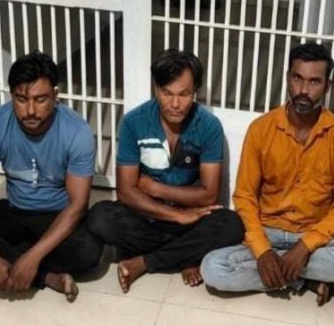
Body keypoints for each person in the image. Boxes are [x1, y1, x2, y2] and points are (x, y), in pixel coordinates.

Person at [201, 43, 334, 305]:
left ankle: (283, 271)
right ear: (288, 78)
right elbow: (244, 196)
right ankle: (302, 278)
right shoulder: (261, 129)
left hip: (314, 237)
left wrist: (304, 247)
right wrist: (262, 251)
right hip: (267, 230)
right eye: (297, 78)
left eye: (314, 82)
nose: (303, 90)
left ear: (327, 86)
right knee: (213, 268)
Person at [0, 51, 101, 302]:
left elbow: (78, 205)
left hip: (57, 216)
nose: (30, 110)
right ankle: (45, 277)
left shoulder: (77, 131)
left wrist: (33, 257)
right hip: (15, 211)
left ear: (55, 96)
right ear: (11, 96)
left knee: (89, 251)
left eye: (40, 100)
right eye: (21, 99)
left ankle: (15, 261)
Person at [86, 49, 244, 293]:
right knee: (99, 217)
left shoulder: (209, 126)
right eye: (167, 93)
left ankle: (144, 261)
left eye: (184, 94)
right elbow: (126, 192)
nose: (175, 104)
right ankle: (186, 256)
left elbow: (209, 194)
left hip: (189, 217)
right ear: (156, 88)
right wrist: (175, 215)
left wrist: (155, 188)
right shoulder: (134, 122)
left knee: (231, 225)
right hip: (148, 214)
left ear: (196, 90)